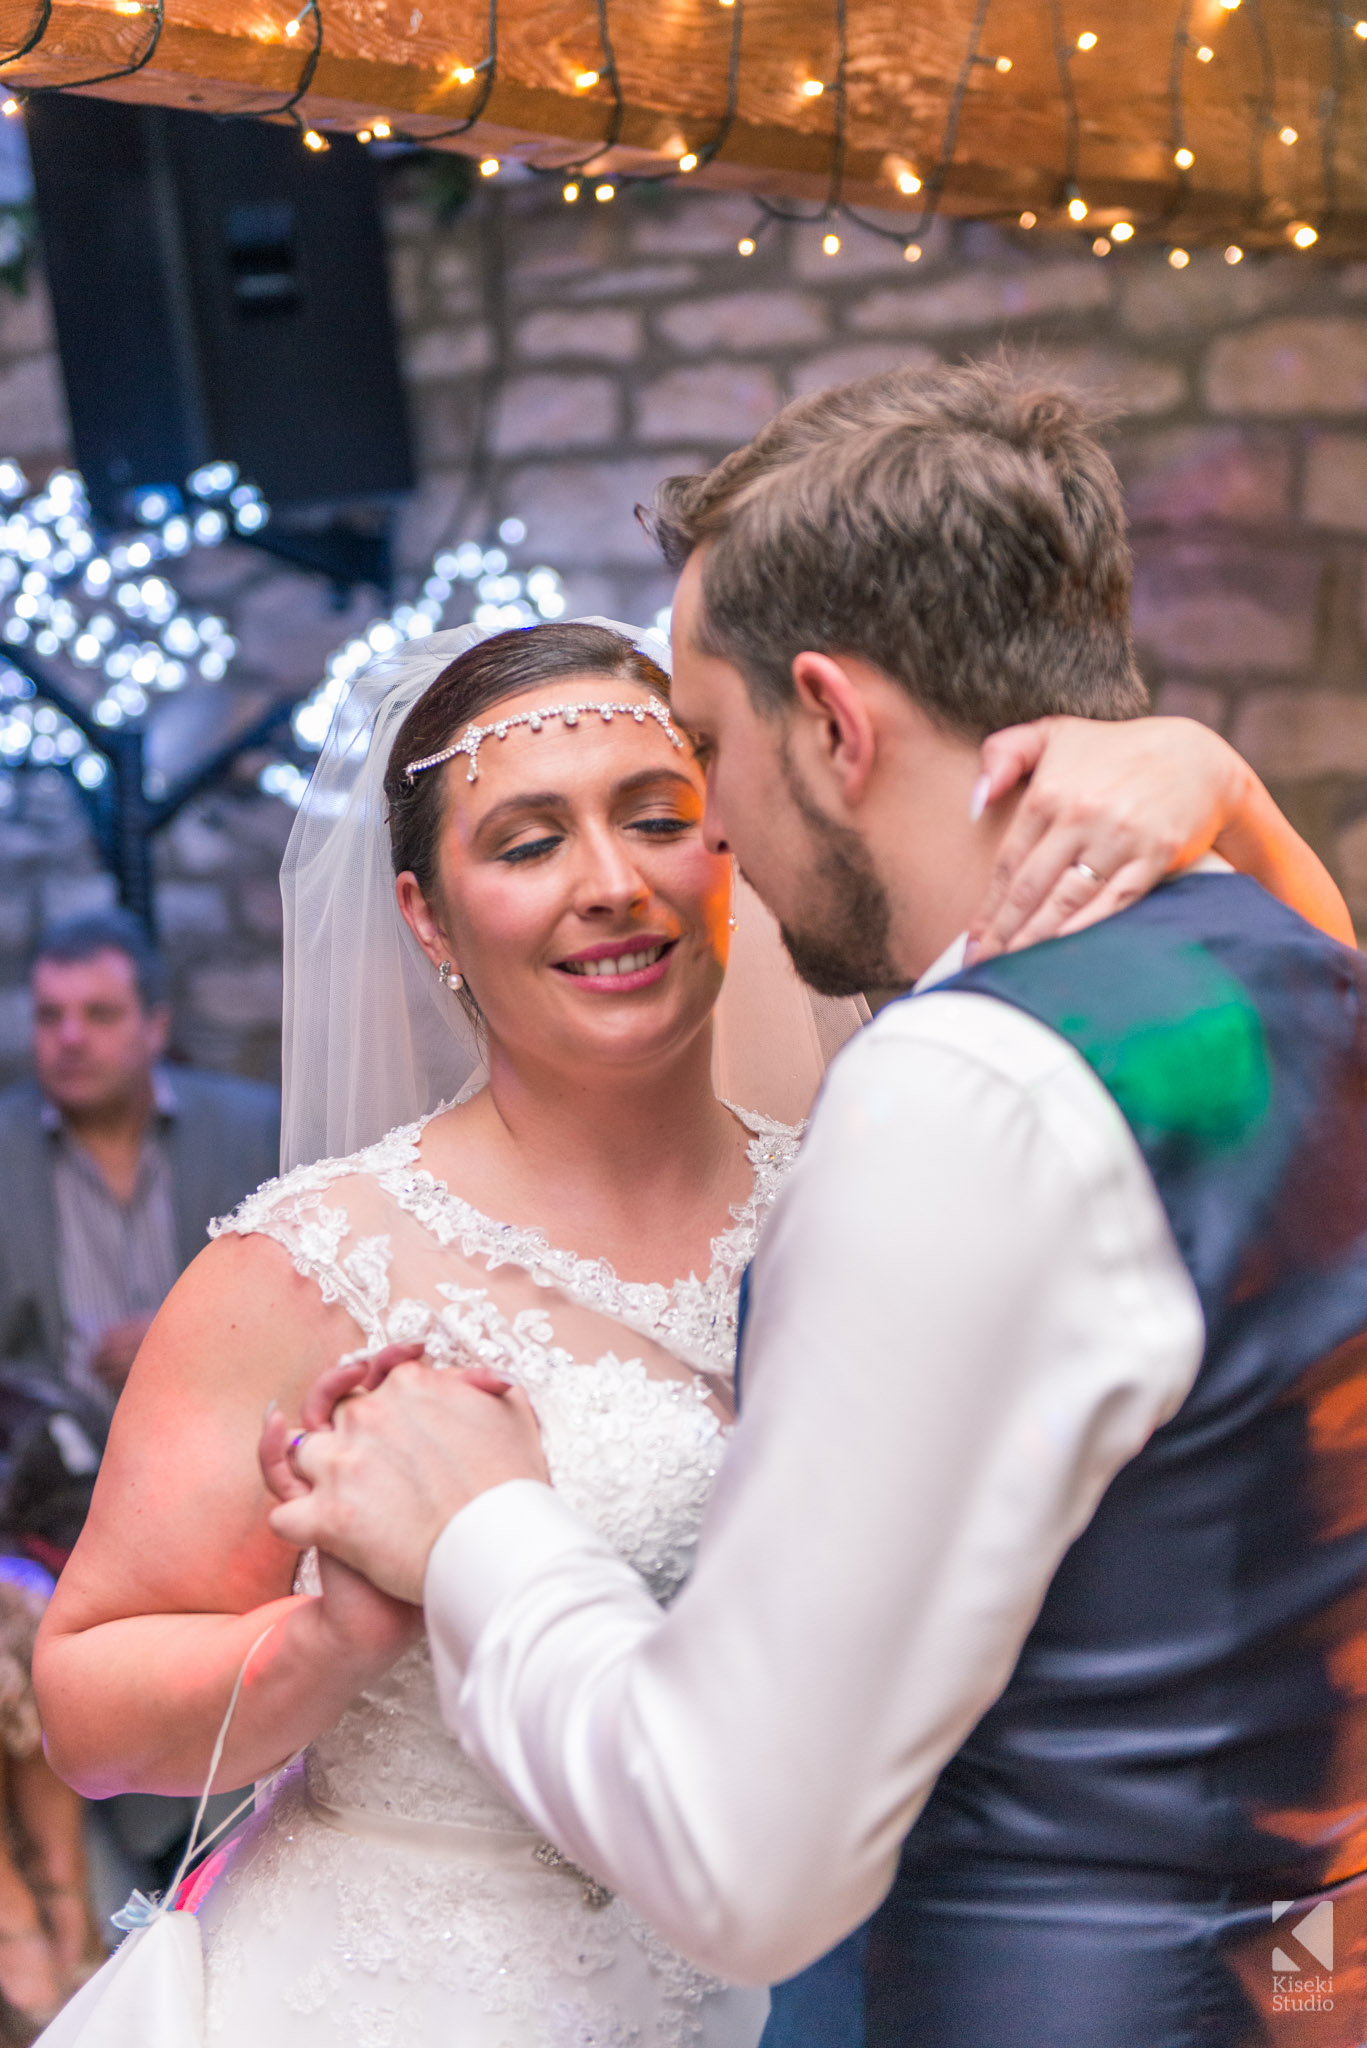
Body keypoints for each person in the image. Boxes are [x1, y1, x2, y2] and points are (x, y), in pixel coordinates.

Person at [33, 599, 1349, 2047]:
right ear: (426, 915)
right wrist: (323, 1647)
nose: (610, 884)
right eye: (528, 844)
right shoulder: (309, 1262)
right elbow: (89, 1707)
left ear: (730, 837)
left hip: (840, 1987)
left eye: (658, 817)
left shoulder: (883, 1182)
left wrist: (1205, 777)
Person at [0, 908, 280, 1412]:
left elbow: (299, 1310)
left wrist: (185, 1338)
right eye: (49, 1016)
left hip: (226, 1438)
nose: (70, 1038)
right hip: (51, 1474)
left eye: (99, 1014)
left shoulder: (254, 1131)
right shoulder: (9, 1147)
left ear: (156, 1027)